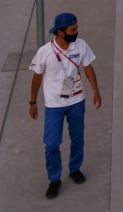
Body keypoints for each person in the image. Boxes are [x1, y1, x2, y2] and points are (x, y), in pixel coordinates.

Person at [29, 13, 102, 199]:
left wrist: (95, 90)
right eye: (72, 30)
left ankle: (75, 168)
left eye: (76, 29)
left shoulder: (81, 45)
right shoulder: (44, 52)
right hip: (54, 105)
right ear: (60, 32)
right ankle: (54, 179)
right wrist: (33, 102)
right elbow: (36, 78)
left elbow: (87, 67)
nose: (76, 32)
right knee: (52, 144)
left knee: (78, 138)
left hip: (77, 101)